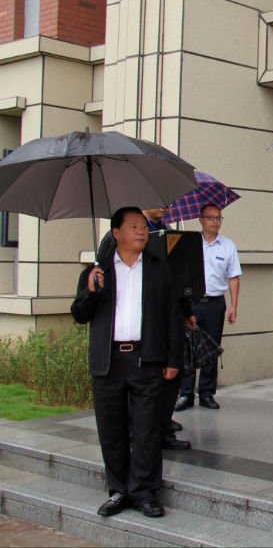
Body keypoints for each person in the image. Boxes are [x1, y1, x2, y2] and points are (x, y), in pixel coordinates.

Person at [71, 207, 184, 519]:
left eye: (143, 227)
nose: (141, 231)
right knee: (112, 429)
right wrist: (90, 292)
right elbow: (79, 314)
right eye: (133, 226)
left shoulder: (159, 269)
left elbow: (172, 317)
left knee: (147, 429)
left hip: (146, 359)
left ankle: (145, 492)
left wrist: (174, 358)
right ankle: (119, 490)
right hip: (108, 361)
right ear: (116, 233)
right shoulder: (98, 272)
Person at [97, 207, 194, 451]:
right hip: (134, 332)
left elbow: (177, 276)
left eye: (165, 203)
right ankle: (136, 434)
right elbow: (105, 270)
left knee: (169, 382)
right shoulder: (117, 237)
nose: (163, 206)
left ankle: (164, 429)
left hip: (164, 319)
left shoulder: (167, 231)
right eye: (135, 227)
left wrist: (186, 309)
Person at [176, 205, 241, 411]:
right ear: (201, 220)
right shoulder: (189, 244)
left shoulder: (228, 246)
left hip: (215, 303)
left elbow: (233, 277)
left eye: (219, 218)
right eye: (211, 217)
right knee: (188, 348)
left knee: (211, 348)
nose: (215, 221)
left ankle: (206, 393)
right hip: (191, 302)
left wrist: (233, 305)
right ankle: (185, 393)